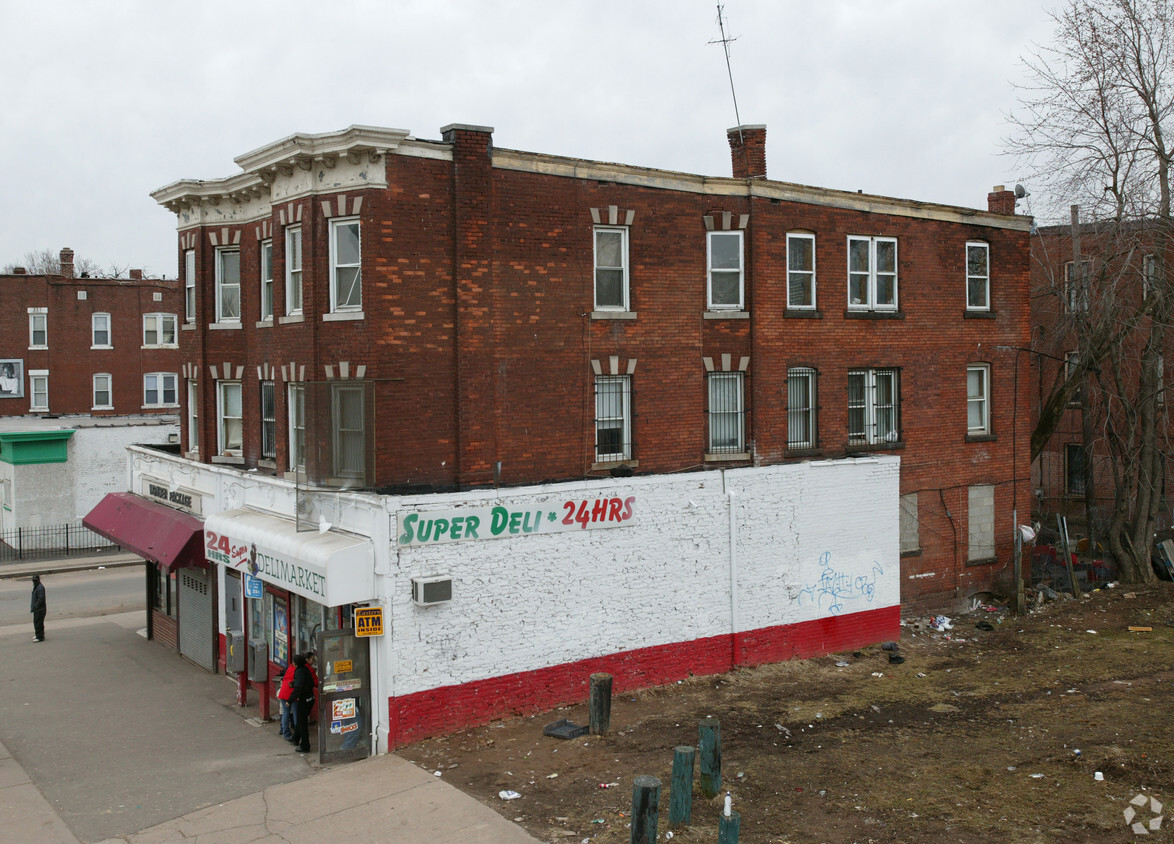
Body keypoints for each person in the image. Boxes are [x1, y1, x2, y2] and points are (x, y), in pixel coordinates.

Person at [290, 652, 315, 753]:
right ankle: (295, 738)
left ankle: (305, 746)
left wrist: (290, 700)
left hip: (304, 700)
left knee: (302, 723)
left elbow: (299, 687)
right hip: (310, 698)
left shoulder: (299, 672)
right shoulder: (306, 670)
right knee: (301, 720)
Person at [275, 660, 296, 740]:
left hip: (283, 694)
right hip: (292, 695)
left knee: (285, 713)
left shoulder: (289, 669)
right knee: (294, 713)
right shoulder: (298, 671)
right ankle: (296, 732)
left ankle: (285, 732)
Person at [30, 575, 46, 642]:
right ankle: (39, 635)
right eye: (33, 580)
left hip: (40, 609)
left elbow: (41, 599)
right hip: (38, 609)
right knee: (38, 623)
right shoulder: (37, 586)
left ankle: (39, 637)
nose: (34, 582)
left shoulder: (40, 588)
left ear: (38, 580)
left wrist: (36, 606)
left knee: (38, 623)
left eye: (35, 580)